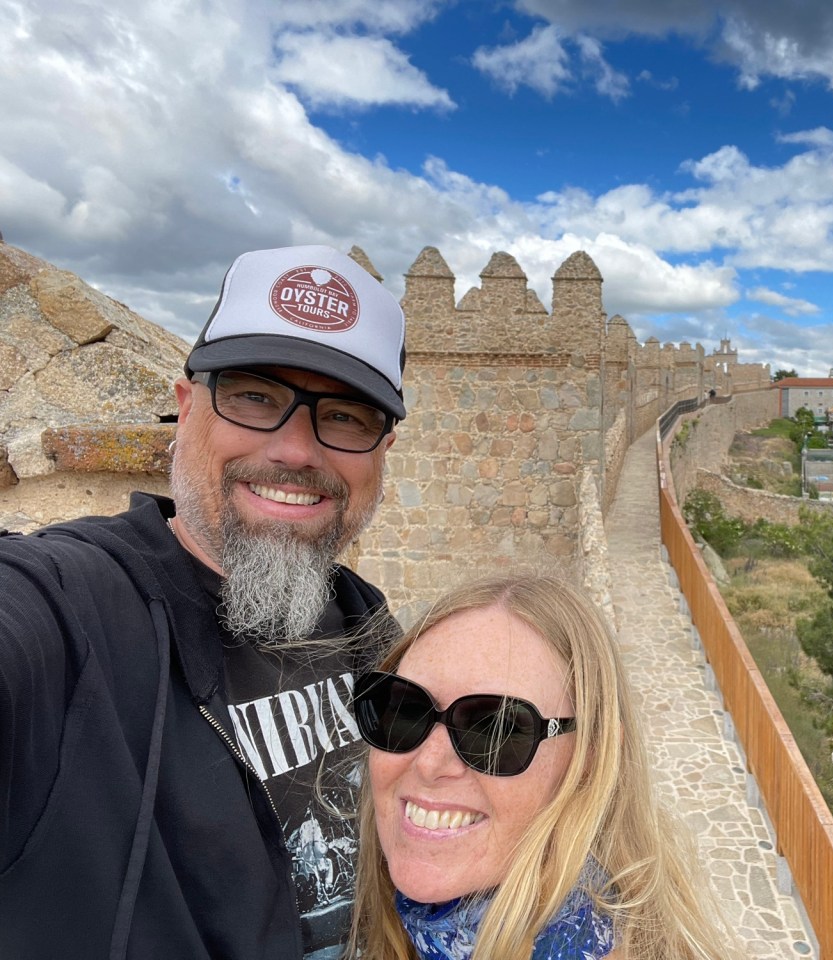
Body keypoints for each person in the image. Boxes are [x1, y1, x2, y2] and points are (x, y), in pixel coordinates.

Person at [0, 244, 407, 959]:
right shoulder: (71, 607)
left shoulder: (369, 624)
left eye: (344, 416)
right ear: (187, 408)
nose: (295, 449)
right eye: (255, 395)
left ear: (382, 453)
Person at [346, 574, 741, 960]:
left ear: (592, 759)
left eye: (495, 731)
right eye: (404, 710)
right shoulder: (410, 931)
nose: (430, 762)